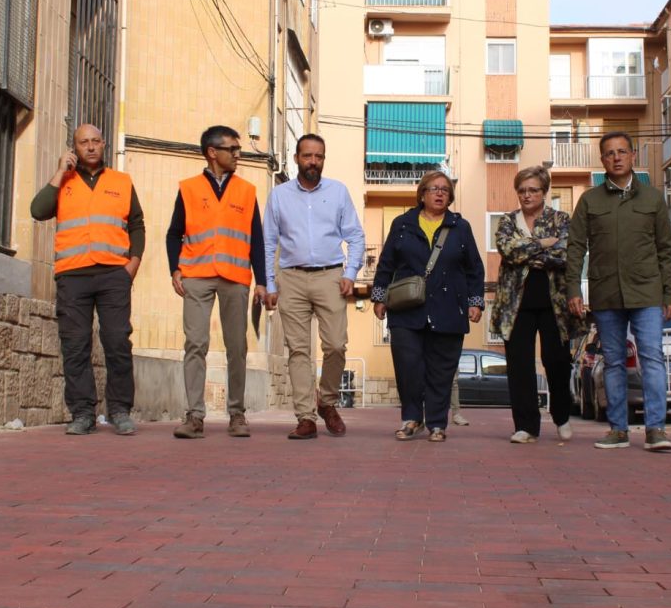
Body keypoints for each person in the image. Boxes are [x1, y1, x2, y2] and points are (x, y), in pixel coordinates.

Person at [564, 131, 671, 452]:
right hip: (606, 294)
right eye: (610, 153)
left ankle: (656, 429)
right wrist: (574, 288)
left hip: (647, 293)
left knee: (652, 358)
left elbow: (666, 250)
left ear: (632, 156)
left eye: (622, 152)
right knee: (613, 362)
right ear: (602, 160)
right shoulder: (589, 201)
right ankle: (618, 430)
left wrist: (670, 294)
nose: (616, 157)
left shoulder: (653, 199)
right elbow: (575, 248)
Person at [31, 123, 144, 436]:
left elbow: (137, 225)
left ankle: (120, 410)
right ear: (74, 148)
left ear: (104, 144)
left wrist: (131, 266)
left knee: (117, 341)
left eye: (96, 141)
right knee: (75, 345)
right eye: (84, 143)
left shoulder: (121, 181)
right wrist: (58, 173)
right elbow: (38, 210)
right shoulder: (63, 182)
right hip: (73, 275)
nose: (91, 147)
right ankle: (82, 413)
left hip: (113, 274)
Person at [166, 126, 266, 439]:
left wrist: (262, 281)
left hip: (235, 278)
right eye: (232, 149)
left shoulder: (247, 191)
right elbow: (174, 233)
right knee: (195, 344)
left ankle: (237, 414)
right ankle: (195, 416)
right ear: (212, 152)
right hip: (195, 276)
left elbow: (257, 240)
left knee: (237, 347)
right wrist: (175, 269)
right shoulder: (189, 188)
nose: (238, 154)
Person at [264, 134, 366, 440]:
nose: (313, 162)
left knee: (336, 345)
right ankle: (305, 417)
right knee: (298, 350)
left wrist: (350, 272)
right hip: (291, 278)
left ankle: (328, 402)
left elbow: (356, 236)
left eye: (318, 157)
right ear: (296, 158)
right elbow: (269, 242)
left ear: (324, 159)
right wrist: (269, 283)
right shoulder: (279, 196)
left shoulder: (338, 192)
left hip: (330, 277)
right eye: (307, 156)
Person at [372, 171, 485, 443]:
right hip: (407, 309)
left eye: (445, 190)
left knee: (441, 370)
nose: (439, 193)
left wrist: (475, 301)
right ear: (422, 194)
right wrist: (379, 296)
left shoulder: (461, 227)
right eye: (434, 188)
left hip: (448, 310)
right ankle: (412, 419)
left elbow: (474, 269)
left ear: (450, 197)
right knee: (408, 367)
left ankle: (436, 423)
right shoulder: (402, 224)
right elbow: (386, 263)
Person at [491, 166, 575, 444]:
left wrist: (527, 247)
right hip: (515, 305)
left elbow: (564, 254)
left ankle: (562, 416)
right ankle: (526, 426)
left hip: (554, 303)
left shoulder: (561, 219)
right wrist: (544, 244)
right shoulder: (506, 221)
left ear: (544, 191)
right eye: (522, 190)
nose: (527, 195)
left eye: (533, 190)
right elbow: (508, 250)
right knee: (519, 366)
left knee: (557, 361)